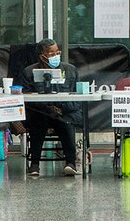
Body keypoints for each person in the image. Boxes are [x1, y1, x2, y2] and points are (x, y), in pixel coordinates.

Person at [15, 38, 82, 176]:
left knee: (66, 122)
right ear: (42, 56)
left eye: (57, 52)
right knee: (38, 122)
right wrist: (48, 109)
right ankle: (34, 164)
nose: (56, 56)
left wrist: (62, 109)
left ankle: (71, 163)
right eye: (51, 54)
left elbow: (78, 98)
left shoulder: (70, 70)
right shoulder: (29, 72)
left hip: (65, 112)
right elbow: (27, 98)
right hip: (41, 112)